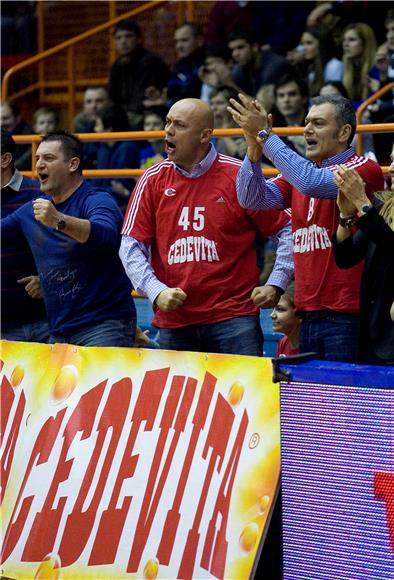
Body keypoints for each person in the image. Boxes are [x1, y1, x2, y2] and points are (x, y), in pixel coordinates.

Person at [119, 98, 294, 356]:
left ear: (204, 136)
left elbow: (288, 229)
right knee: (177, 398)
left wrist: (276, 283)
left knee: (241, 397)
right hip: (174, 321)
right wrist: (156, 291)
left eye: (179, 125)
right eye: (167, 122)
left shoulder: (238, 175)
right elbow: (130, 246)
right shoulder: (152, 178)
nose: (168, 130)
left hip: (234, 319)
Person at [227, 93, 384, 361]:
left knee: (342, 400)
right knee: (313, 402)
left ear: (345, 132)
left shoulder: (362, 168)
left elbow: (311, 182)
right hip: (306, 313)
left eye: (319, 123)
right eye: (307, 122)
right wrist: (253, 153)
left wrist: (266, 136)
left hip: (348, 314)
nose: (307, 129)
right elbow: (251, 198)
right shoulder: (301, 174)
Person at [1, 131, 136, 347]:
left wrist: (59, 220)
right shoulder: (32, 210)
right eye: (37, 159)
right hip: (59, 330)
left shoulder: (97, 200)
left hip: (103, 325)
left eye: (49, 158)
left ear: (73, 164)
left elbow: (107, 236)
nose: (39, 165)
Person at [331, 156, 394, 365]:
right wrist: (345, 216)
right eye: (392, 160)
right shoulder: (384, 204)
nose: (391, 168)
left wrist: (362, 203)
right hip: (373, 332)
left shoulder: (375, 208)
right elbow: (346, 257)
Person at [1, 129, 50, 343]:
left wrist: (46, 281)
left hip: (42, 322)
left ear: (5, 159)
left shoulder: (38, 193)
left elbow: (63, 248)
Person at [108, 20, 169, 129]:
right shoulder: (117, 65)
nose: (123, 41)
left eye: (128, 36)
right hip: (125, 113)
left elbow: (143, 98)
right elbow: (113, 97)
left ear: (139, 39)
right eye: (119, 38)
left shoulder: (150, 62)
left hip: (148, 112)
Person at [93, 104, 140, 212]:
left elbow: (120, 186)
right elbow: (98, 181)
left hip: (122, 203)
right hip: (104, 198)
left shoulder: (127, 148)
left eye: (98, 125)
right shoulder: (103, 148)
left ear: (109, 129)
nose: (95, 130)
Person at [227, 28, 296, 97]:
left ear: (255, 47)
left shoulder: (275, 67)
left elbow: (263, 105)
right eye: (232, 50)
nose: (235, 54)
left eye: (240, 47)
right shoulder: (239, 69)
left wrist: (231, 85)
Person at [167, 22, 206, 105]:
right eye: (176, 41)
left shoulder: (209, 62)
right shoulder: (179, 65)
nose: (179, 46)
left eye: (184, 40)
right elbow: (172, 92)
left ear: (199, 40)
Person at [273, 75, 309, 156]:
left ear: (304, 98)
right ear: (276, 102)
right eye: (281, 95)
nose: (286, 100)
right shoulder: (273, 126)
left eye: (292, 94)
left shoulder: (317, 124)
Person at [0, 101, 34, 170]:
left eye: (5, 118)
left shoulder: (30, 137)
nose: (1, 123)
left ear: (18, 118)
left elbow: (20, 165)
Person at [271, 286, 300, 356]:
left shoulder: (311, 346)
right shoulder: (283, 342)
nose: (272, 315)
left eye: (280, 309)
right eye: (272, 309)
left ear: (300, 315)